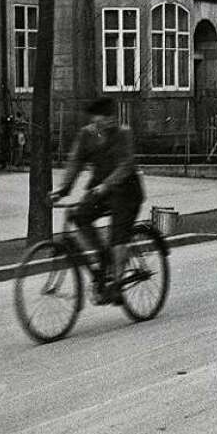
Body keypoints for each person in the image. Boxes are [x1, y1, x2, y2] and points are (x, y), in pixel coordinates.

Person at [51, 96, 144, 304]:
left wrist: (106, 185)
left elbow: (126, 164)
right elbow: (75, 161)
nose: (108, 121)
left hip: (126, 191)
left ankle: (117, 286)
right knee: (80, 216)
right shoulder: (87, 135)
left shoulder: (123, 133)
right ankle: (103, 255)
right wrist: (63, 189)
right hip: (100, 191)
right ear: (95, 119)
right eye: (103, 117)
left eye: (111, 117)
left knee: (118, 237)